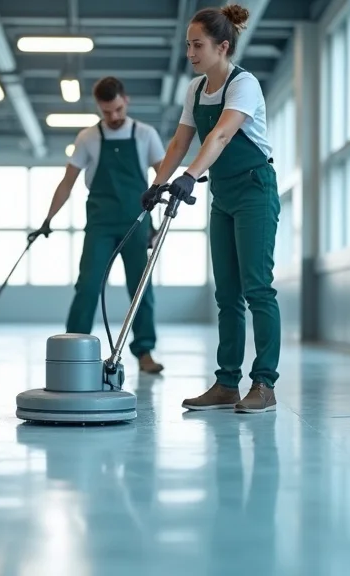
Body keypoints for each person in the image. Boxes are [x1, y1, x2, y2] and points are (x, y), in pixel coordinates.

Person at [143, 3, 281, 412]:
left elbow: (220, 135)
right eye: (187, 45)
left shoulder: (244, 85)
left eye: (197, 45)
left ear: (222, 46)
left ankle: (264, 383)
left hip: (255, 190)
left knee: (257, 287)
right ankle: (226, 384)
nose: (190, 53)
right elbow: (179, 142)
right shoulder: (195, 89)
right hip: (223, 194)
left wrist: (189, 176)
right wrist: (158, 183)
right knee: (227, 294)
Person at [29, 77, 167, 374]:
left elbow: (163, 175)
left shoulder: (146, 134)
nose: (113, 116)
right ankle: (72, 349)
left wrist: (160, 218)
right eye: (106, 112)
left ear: (126, 100)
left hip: (136, 222)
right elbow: (67, 182)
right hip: (100, 223)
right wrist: (48, 219)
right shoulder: (88, 137)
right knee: (88, 285)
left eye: (118, 109)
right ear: (98, 108)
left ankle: (145, 351)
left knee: (140, 288)